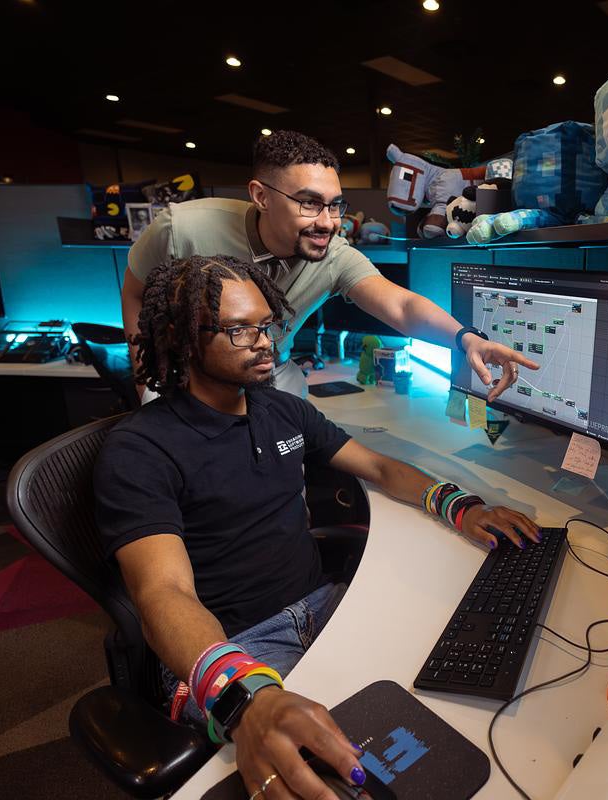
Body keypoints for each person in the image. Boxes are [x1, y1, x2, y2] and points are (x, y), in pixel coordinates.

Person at [95, 254, 540, 799]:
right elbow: (161, 592)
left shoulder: (280, 409)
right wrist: (244, 695)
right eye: (238, 330)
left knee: (449, 687)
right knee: (342, 769)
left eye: (265, 324)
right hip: (236, 645)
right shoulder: (140, 448)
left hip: (323, 605)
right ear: (184, 339)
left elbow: (377, 467)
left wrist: (460, 505)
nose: (263, 341)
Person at [123, 130, 536, 400]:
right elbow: (135, 292)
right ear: (261, 196)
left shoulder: (333, 253)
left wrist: (466, 339)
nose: (327, 222)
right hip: (188, 379)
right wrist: (147, 381)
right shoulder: (183, 228)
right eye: (309, 203)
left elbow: (400, 305)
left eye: (335, 205)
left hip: (272, 377)